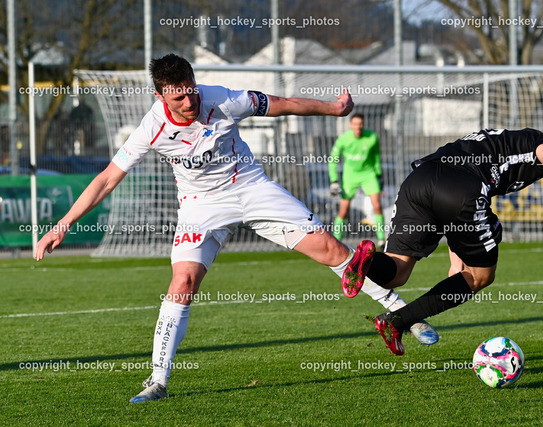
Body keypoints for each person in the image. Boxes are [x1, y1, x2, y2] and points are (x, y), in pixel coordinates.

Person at [34, 54, 436, 402]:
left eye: (191, 91)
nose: (189, 101)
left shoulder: (224, 99)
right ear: (161, 97)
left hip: (251, 187)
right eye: (178, 97)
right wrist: (62, 225)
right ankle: (158, 380)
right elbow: (107, 178)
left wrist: (334, 110)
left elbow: (281, 104)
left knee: (331, 250)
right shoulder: (151, 128)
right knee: (183, 282)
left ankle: (402, 314)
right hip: (200, 206)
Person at [342, 124, 543, 355]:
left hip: (419, 181)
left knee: (395, 272)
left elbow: (456, 207)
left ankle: (365, 261)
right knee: (481, 276)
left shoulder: (516, 143)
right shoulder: (542, 145)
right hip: (459, 187)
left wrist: (456, 261)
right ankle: (396, 323)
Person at [329, 113, 386, 247]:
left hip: (368, 174)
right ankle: (336, 241)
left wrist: (379, 176)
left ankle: (382, 240)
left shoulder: (372, 137)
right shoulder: (344, 139)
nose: (358, 127)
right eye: (355, 124)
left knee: (377, 205)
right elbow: (333, 159)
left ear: (363, 125)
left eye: (360, 124)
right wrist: (334, 180)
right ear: (351, 125)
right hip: (350, 176)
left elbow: (376, 158)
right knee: (343, 210)